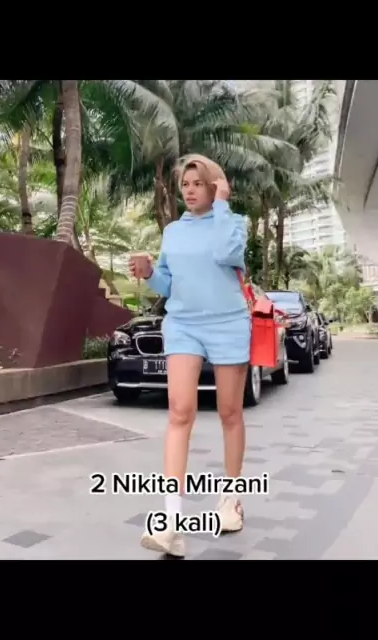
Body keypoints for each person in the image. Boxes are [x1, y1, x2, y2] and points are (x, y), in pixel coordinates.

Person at [129, 154, 250, 557]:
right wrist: (149, 273)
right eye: (185, 184)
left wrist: (223, 206)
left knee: (230, 412)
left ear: (216, 185)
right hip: (183, 325)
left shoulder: (233, 223)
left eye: (199, 183)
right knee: (180, 413)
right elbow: (170, 284)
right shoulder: (173, 232)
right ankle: (171, 520)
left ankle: (231, 500)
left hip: (228, 323)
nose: (190, 190)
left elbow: (228, 255)